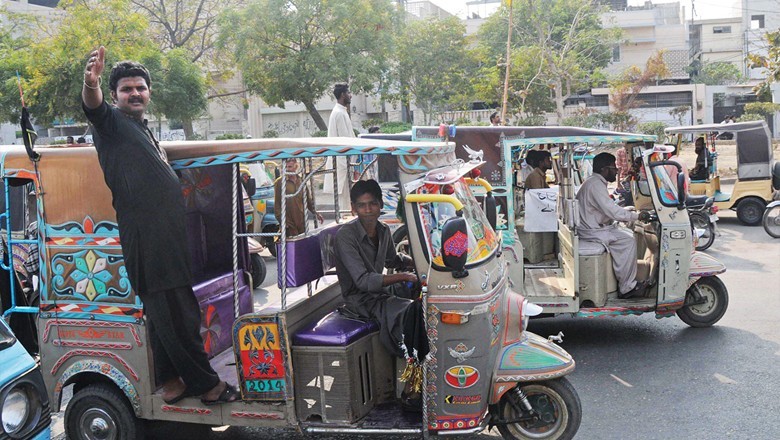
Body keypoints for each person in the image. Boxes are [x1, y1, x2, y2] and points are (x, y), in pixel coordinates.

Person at [81, 46, 237, 405]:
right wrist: (91, 84)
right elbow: (94, 105)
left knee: (165, 315)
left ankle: (172, 381)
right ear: (115, 95)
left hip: (167, 239)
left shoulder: (142, 129)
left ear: (149, 92)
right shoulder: (112, 124)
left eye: (140, 88)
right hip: (147, 239)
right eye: (126, 89)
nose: (135, 93)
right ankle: (207, 385)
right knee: (179, 317)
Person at [333, 179, 428, 408]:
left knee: (423, 299)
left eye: (372, 204)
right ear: (354, 208)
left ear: (380, 204)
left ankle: (424, 368)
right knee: (413, 312)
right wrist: (405, 276)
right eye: (362, 205)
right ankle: (411, 385)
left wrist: (420, 264)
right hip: (360, 300)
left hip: (379, 292)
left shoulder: (384, 230)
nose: (368, 210)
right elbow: (364, 281)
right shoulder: (346, 236)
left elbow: (392, 260)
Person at [576, 153, 652, 299]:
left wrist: (627, 212)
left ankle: (626, 279)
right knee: (628, 241)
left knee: (626, 233)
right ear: (604, 169)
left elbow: (608, 207)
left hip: (595, 227)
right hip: (592, 231)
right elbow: (611, 211)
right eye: (614, 167)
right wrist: (637, 216)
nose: (616, 170)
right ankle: (627, 287)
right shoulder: (595, 185)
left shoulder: (594, 183)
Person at [325, 83, 355, 214]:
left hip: (344, 164)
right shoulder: (339, 113)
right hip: (343, 165)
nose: (350, 95)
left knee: (348, 203)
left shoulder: (341, 112)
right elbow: (346, 142)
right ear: (343, 95)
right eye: (348, 93)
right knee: (346, 206)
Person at [274, 158, 323, 237]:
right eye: (285, 167)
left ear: (295, 167)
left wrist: (316, 213)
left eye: (289, 167)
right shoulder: (280, 182)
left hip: (301, 221)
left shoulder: (301, 181)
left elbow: (308, 200)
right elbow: (277, 205)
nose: (287, 169)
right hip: (289, 222)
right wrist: (283, 221)